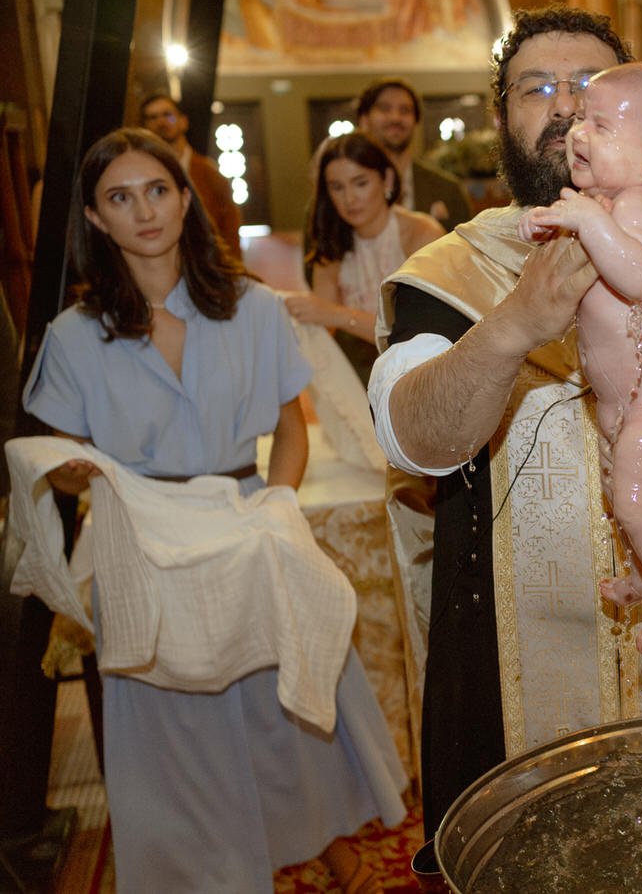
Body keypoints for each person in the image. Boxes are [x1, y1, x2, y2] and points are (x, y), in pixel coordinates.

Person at [366, 5, 642, 839]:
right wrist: (516, 322)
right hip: (503, 683)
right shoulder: (449, 270)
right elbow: (411, 441)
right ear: (502, 118)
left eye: (589, 89)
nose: (566, 108)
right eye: (539, 87)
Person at [19, 128, 405, 892]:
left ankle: (321, 836)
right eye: (120, 199)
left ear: (186, 198)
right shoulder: (74, 335)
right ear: (96, 219)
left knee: (283, 710)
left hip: (244, 521)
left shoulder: (252, 309)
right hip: (145, 542)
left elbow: (289, 425)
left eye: (157, 191)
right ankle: (202, 870)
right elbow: (65, 463)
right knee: (175, 732)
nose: (145, 212)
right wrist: (69, 473)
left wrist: (281, 510)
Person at [518, 62, 642, 656]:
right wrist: (549, 225)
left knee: (637, 505)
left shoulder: (636, 205)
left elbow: (638, 275)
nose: (577, 132)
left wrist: (580, 216)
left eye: (600, 125)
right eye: (580, 119)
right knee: (624, 500)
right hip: (629, 406)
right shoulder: (607, 205)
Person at [289, 132, 443, 383]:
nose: (349, 199)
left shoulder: (422, 233)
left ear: (387, 179)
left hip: (425, 372)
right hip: (360, 374)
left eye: (360, 183)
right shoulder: (333, 242)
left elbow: (420, 332)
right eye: (337, 187)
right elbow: (320, 326)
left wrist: (338, 314)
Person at [355, 77, 474, 232]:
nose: (395, 118)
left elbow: (469, 252)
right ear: (364, 120)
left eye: (405, 110)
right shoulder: (342, 188)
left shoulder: (448, 190)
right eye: (384, 109)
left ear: (415, 121)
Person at [139, 93, 243, 261]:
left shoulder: (209, 172)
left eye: (168, 115)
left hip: (207, 266)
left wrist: (232, 272)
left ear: (183, 121)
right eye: (152, 117)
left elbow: (230, 230)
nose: (161, 122)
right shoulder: (140, 175)